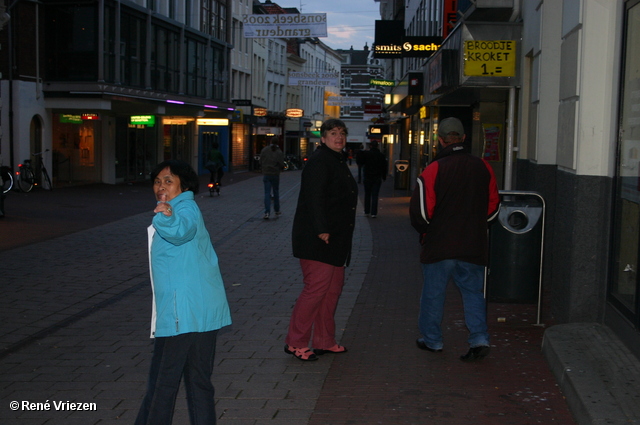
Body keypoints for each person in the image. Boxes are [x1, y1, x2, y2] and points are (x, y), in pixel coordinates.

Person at [136, 160, 232, 425]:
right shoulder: (185, 207)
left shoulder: (183, 208)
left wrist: (167, 216)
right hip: (200, 311)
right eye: (157, 181)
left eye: (168, 181)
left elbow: (181, 230)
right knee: (198, 383)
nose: (161, 186)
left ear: (184, 185)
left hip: (183, 314)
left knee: (163, 383)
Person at [409, 117, 500, 362]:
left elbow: (421, 212)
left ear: (439, 140)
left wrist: (428, 232)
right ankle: (479, 338)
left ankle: (433, 340)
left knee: (433, 294)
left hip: (440, 245)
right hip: (473, 245)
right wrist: (479, 225)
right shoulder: (483, 167)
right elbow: (493, 207)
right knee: (473, 293)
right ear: (463, 138)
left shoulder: (434, 169)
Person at [285, 118, 358, 361]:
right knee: (316, 291)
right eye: (333, 133)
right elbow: (313, 198)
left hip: (337, 238)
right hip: (319, 239)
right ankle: (295, 342)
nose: (339, 137)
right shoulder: (319, 161)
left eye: (342, 133)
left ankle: (324, 341)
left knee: (332, 291)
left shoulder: (337, 160)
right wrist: (321, 229)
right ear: (323, 137)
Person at [259, 137, 285, 219]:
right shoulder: (279, 152)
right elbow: (281, 163)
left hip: (266, 173)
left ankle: (267, 212)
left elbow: (260, 161)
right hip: (275, 174)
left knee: (267, 193)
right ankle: (277, 210)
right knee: (276, 192)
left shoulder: (264, 150)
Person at [362, 140, 388, 218]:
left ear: (370, 146)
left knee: (367, 194)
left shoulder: (366, 154)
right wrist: (384, 176)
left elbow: (361, 162)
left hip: (367, 176)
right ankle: (374, 212)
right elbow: (384, 167)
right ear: (377, 146)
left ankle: (367, 211)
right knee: (375, 195)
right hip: (377, 177)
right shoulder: (381, 155)